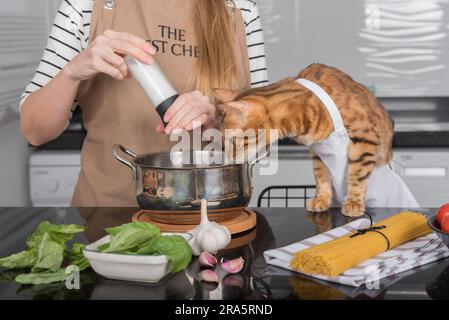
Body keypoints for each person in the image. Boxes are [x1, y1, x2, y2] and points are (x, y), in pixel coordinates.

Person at [19, 0, 268, 206]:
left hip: (212, 220)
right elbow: (34, 131)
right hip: (110, 229)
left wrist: (217, 118)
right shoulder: (86, 6)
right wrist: (72, 72)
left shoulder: (239, 10)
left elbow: (264, 144)